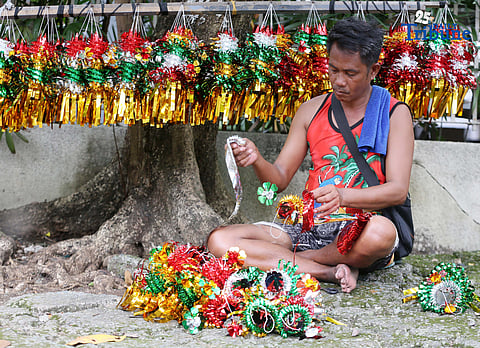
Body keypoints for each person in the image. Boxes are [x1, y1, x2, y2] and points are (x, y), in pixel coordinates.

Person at [207, 17, 414, 293]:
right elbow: (278, 179)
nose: (339, 81)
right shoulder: (311, 110)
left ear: (373, 70)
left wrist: (343, 196)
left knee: (382, 233)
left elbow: (398, 191)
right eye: (333, 70)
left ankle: (290, 263)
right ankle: (328, 271)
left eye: (350, 73)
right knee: (219, 241)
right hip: (306, 228)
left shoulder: (394, 113)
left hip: (360, 228)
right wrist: (257, 160)